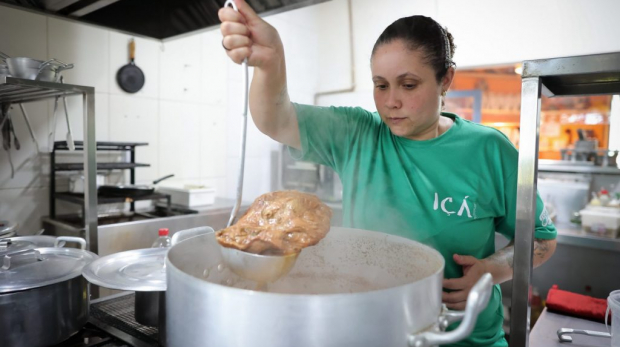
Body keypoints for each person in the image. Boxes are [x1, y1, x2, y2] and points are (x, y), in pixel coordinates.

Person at [219, 1, 557, 346]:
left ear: (446, 79)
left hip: (463, 337)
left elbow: (542, 239)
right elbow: (276, 119)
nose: (391, 102)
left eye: (408, 85)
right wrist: (270, 63)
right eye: (381, 85)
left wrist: (491, 269)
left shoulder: (489, 151)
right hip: (368, 333)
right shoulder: (358, 134)